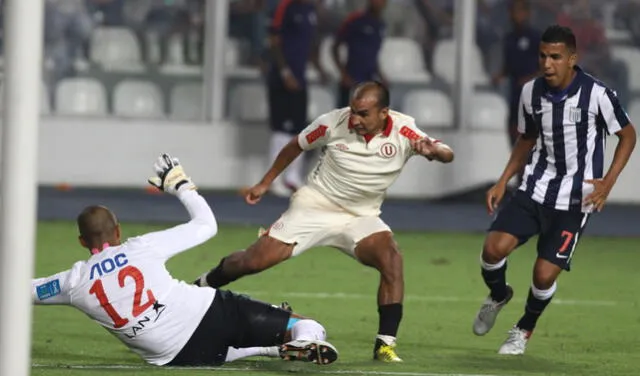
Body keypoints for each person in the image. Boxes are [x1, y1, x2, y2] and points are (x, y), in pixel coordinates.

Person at [194, 81, 455, 362]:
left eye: (363, 113)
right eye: (354, 110)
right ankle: (202, 285)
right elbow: (296, 145)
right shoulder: (332, 123)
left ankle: (385, 345)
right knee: (253, 262)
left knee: (391, 259)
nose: (355, 119)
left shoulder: (405, 130)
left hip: (361, 216)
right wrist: (265, 183)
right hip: (314, 206)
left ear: (384, 113)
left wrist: (434, 152)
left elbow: (446, 153)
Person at [31, 154, 339, 367]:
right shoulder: (141, 247)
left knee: (222, 348)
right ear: (119, 230)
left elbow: (23, 290)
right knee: (306, 324)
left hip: (174, 355)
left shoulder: (72, 282)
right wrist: (181, 185)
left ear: (82, 242)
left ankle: (270, 349)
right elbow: (207, 225)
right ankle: (300, 339)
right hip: (209, 314)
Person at [472, 25, 636, 355]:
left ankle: (523, 329)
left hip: (577, 200)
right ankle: (499, 293)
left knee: (544, 275)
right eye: (543, 56)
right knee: (493, 250)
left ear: (572, 59)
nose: (547, 63)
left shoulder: (597, 94)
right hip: (535, 187)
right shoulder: (530, 92)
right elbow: (527, 138)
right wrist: (503, 180)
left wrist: (608, 181)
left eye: (555, 57)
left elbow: (628, 135)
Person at [266, 0, 327, 197]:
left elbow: (311, 44)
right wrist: (285, 72)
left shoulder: (310, 11)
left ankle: (292, 177)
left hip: (300, 77)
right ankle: (274, 178)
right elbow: (274, 42)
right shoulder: (285, 6)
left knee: (299, 127)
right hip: (281, 77)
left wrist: (318, 69)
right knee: (280, 127)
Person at [492, 0, 540, 147]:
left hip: (533, 92)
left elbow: (546, 66)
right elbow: (509, 65)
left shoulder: (535, 37)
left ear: (527, 14)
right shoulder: (509, 38)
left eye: (519, 11)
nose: (514, 15)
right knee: (513, 125)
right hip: (514, 91)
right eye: (512, 11)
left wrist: (530, 78)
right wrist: (500, 75)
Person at [332, 0, 388, 108]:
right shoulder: (355, 20)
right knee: (345, 121)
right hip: (352, 80)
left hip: (369, 82)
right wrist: (343, 74)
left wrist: (381, 75)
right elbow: (335, 47)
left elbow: (373, 54)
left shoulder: (381, 25)